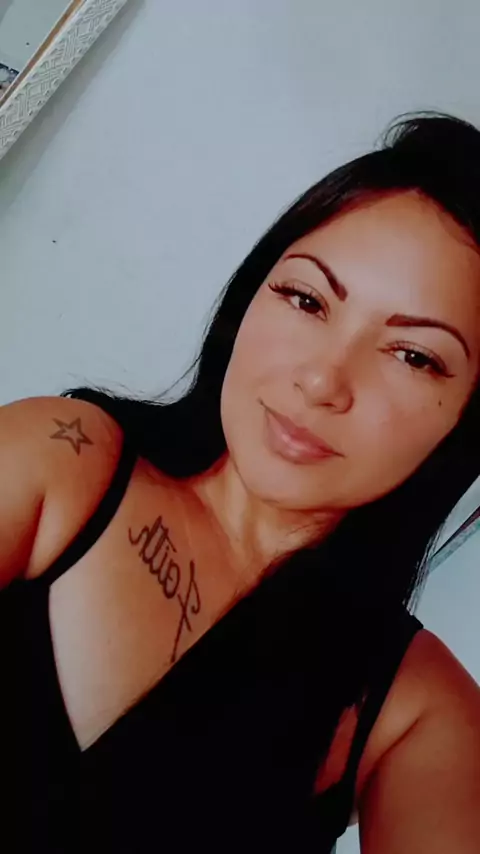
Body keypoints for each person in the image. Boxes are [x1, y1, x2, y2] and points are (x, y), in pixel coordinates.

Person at [1, 112, 480, 854]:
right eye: (307, 300)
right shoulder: (61, 460)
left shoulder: (415, 712)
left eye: (414, 356)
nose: (322, 380)